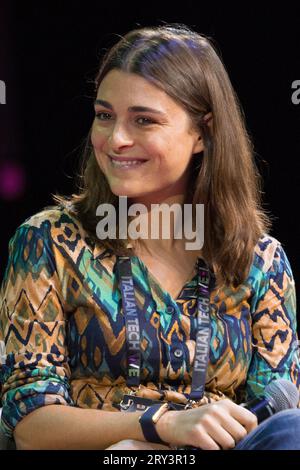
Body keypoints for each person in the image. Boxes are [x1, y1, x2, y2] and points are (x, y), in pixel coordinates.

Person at [0, 23, 299, 451]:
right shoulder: (48, 242)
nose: (116, 139)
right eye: (105, 116)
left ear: (203, 133)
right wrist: (158, 427)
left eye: (144, 120)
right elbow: (29, 423)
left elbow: (280, 409)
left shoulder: (260, 260)